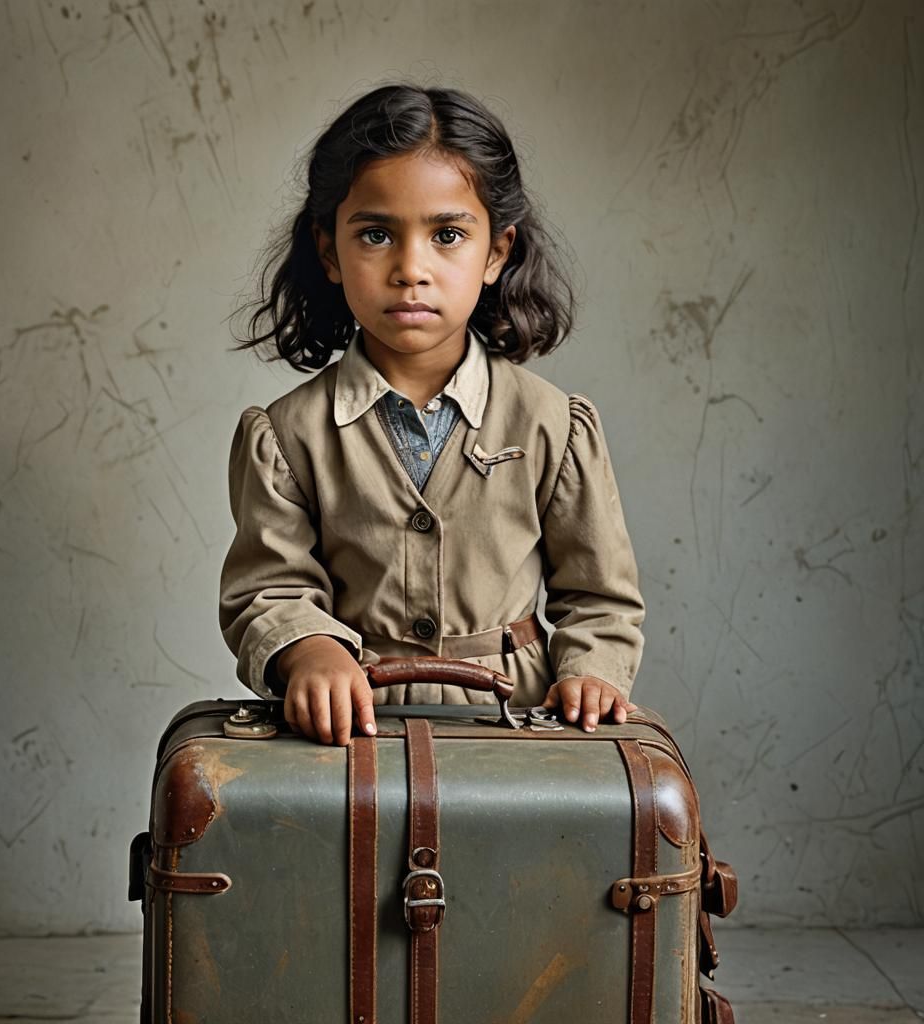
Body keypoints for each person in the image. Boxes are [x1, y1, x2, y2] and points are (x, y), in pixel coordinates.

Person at [220, 84, 645, 746]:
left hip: (516, 737)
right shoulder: (285, 437)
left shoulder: (553, 424)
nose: (410, 269)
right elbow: (269, 591)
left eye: (447, 235)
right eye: (375, 235)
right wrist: (308, 651)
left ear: (497, 253)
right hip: (350, 742)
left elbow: (599, 597)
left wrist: (594, 672)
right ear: (330, 251)